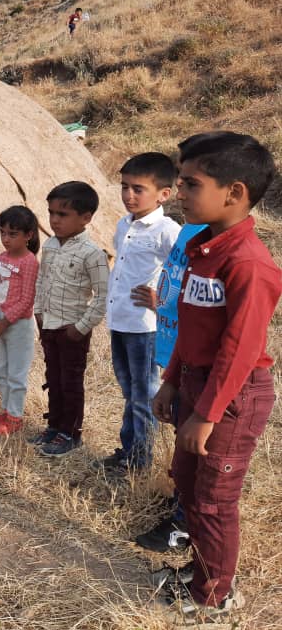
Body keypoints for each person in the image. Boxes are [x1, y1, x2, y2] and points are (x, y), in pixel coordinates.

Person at [151, 132, 280, 622]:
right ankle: (201, 569)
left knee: (213, 498)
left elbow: (239, 352)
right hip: (197, 383)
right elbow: (191, 326)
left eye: (190, 183)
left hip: (232, 395)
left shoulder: (248, 264)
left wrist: (206, 414)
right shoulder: (203, 249)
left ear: (235, 193)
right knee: (187, 481)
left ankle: (217, 594)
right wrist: (171, 381)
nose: (179, 192)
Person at [98, 153, 181, 474]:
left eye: (138, 189)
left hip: (146, 327)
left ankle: (140, 463)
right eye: (124, 187)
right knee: (129, 390)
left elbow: (183, 272)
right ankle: (129, 450)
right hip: (121, 320)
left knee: (144, 394)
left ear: (163, 194)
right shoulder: (124, 224)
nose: (129, 195)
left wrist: (162, 300)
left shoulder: (167, 230)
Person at [133, 220, 207, 553]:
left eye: (191, 184)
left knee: (194, 452)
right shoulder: (190, 231)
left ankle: (186, 522)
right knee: (180, 445)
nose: (180, 192)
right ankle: (179, 503)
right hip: (177, 355)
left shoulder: (212, 239)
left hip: (198, 365)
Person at [29, 181, 109, 457]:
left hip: (72, 328)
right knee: (53, 377)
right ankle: (54, 426)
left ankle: (70, 433)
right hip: (48, 324)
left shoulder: (93, 254)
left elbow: (102, 296)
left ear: (85, 218)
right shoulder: (50, 245)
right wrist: (38, 312)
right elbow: (42, 279)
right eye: (51, 213)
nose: (54, 220)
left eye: (62, 215)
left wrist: (81, 327)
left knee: (71, 382)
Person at [0, 205, 40, 436]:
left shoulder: (29, 262)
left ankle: (15, 417)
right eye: (3, 232)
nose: (6, 239)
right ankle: (6, 411)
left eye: (12, 234)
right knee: (1, 369)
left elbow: (27, 299)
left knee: (17, 373)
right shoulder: (1, 258)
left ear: (28, 235)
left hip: (17, 326)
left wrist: (5, 321)